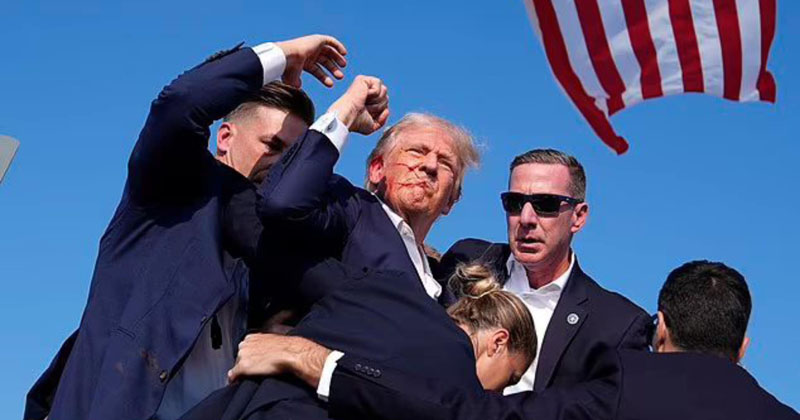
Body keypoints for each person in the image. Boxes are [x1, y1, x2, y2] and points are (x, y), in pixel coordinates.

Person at [24, 34, 389, 420]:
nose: (282, 164)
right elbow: (180, 103)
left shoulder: (274, 245)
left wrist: (345, 124)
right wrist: (286, 54)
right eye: (273, 145)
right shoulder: (172, 187)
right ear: (225, 137)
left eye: (293, 156)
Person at [239, 260, 799, 420]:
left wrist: (321, 362)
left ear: (660, 329)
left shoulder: (625, 387)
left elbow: (466, 414)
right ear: (743, 348)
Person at [177, 261, 536, 420]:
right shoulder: (459, 383)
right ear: (498, 342)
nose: (497, 394)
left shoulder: (388, 289)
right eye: (510, 378)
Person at [438, 148, 650, 393]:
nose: (526, 218)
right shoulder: (465, 258)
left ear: (579, 217)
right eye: (515, 203)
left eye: (545, 204)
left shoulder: (617, 325)